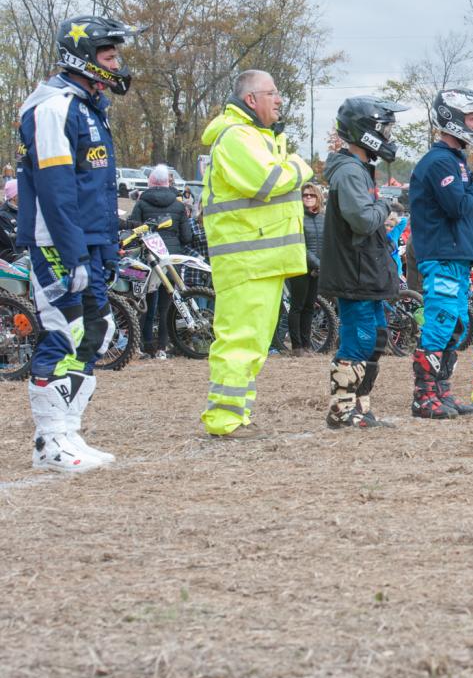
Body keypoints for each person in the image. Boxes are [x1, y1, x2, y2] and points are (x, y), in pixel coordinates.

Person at [18, 15, 136, 468]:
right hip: (57, 241)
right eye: (109, 56)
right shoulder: (53, 108)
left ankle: (67, 432)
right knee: (66, 331)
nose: (117, 64)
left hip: (92, 239)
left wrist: (106, 247)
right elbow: (56, 187)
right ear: (82, 58)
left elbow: (96, 188)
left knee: (100, 330)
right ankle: (49, 442)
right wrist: (72, 253)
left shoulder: (91, 106)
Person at [200, 69, 313, 439]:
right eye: (273, 92)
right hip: (246, 261)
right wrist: (298, 165)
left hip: (262, 261)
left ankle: (236, 415)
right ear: (251, 99)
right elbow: (267, 181)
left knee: (253, 344)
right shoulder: (237, 137)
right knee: (239, 340)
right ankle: (224, 419)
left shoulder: (256, 136)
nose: (280, 99)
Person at [320, 97, 407, 429]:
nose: (388, 136)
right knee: (359, 336)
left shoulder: (360, 169)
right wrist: (386, 207)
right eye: (384, 129)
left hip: (367, 268)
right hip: (353, 270)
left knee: (376, 337)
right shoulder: (349, 171)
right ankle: (342, 410)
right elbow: (361, 219)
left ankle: (360, 405)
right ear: (366, 131)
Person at [409, 88, 473, 418]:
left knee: (458, 324)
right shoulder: (439, 162)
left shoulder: (455, 162)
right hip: (442, 254)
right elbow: (458, 204)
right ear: (454, 119)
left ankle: (442, 391)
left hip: (458, 256)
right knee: (441, 322)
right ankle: (423, 395)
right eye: (472, 118)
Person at [125, 163, 193, 358]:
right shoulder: (179, 205)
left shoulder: (141, 203)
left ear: (150, 182)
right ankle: (163, 347)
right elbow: (187, 237)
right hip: (171, 259)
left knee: (145, 302)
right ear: (167, 182)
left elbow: (134, 230)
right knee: (167, 305)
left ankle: (145, 344)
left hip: (148, 258)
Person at [285, 183, 324, 357]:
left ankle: (307, 345)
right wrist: (317, 263)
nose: (308, 197)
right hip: (300, 266)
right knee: (297, 306)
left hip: (317, 268)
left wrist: (323, 264)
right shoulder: (297, 217)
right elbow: (301, 245)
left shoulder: (324, 218)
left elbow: (328, 243)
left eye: (311, 195)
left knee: (309, 307)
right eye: (305, 195)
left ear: (318, 197)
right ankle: (297, 346)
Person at [0, 179, 20, 262]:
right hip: (15, 261)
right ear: (14, 196)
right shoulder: (3, 216)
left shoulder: (25, 211)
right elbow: (12, 243)